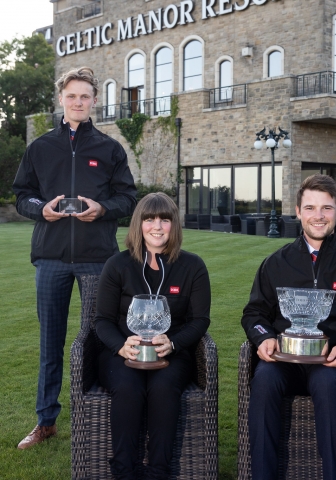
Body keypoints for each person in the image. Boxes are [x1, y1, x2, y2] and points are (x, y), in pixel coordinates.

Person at [13, 67, 137, 449]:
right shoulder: (40, 148)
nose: (78, 102)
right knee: (50, 342)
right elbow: (22, 196)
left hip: (97, 259)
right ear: (61, 100)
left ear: (95, 101)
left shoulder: (110, 148)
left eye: (85, 96)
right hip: (50, 258)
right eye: (72, 96)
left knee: (98, 339)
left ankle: (96, 417)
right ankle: (46, 421)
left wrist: (101, 208)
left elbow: (128, 199)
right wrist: (42, 209)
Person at [241, 174, 336, 480]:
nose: (318, 216)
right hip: (285, 361)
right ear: (298, 211)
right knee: (264, 379)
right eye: (310, 208)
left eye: (326, 208)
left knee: (325, 383)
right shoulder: (276, 263)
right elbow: (253, 314)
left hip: (333, 364)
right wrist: (264, 339)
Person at [94, 192, 211, 479]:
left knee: (162, 388)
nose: (157, 226)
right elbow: (102, 321)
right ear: (139, 224)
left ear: (174, 225)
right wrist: (121, 347)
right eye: (149, 219)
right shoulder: (118, 265)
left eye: (165, 219)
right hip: (122, 353)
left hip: (173, 353)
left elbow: (199, 321)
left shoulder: (193, 266)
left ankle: (158, 470)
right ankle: (123, 471)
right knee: (128, 388)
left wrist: (173, 343)